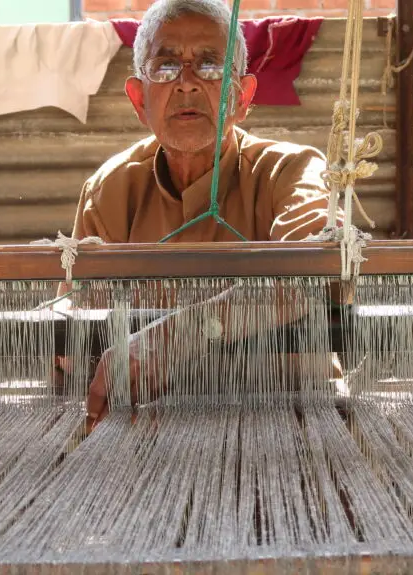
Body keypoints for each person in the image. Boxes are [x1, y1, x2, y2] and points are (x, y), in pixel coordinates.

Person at [64, 0, 341, 426]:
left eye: (210, 65)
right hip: (149, 425)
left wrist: (180, 336)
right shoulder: (111, 191)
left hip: (291, 416)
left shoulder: (292, 171)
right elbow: (79, 325)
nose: (187, 84)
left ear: (243, 97)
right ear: (139, 100)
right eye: (166, 65)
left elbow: (315, 269)